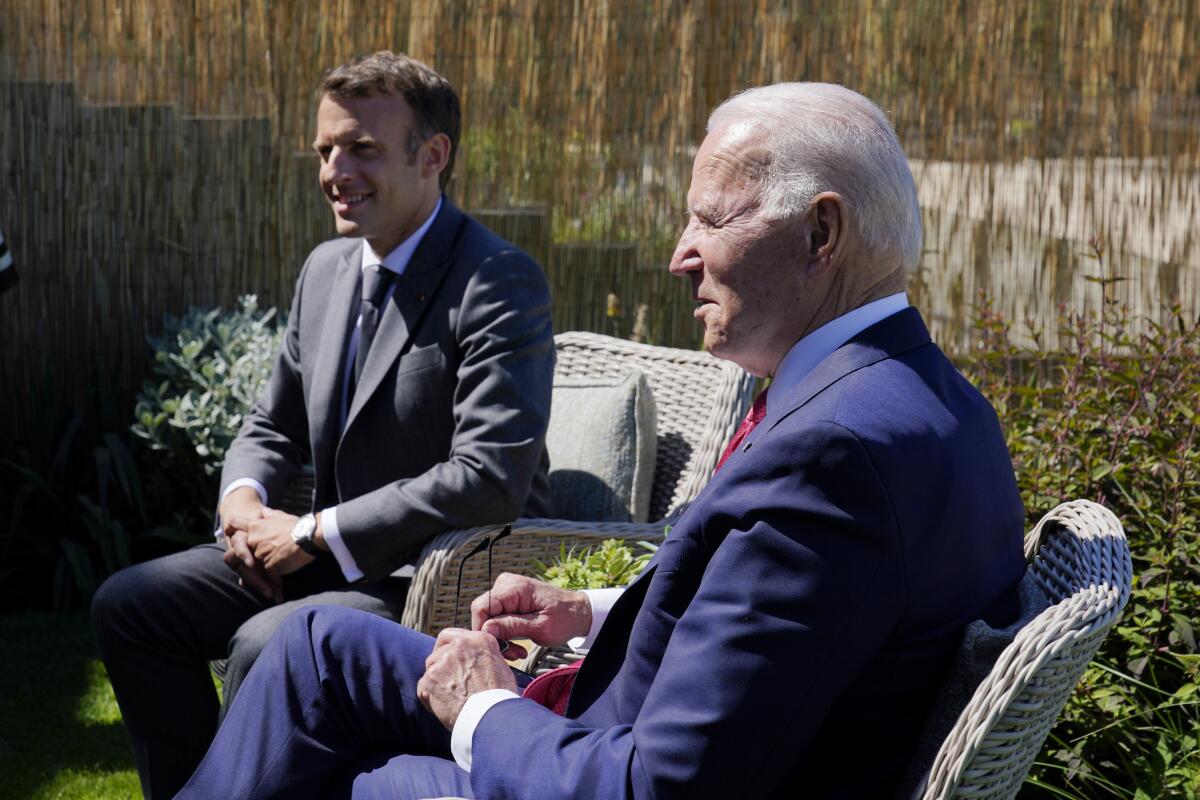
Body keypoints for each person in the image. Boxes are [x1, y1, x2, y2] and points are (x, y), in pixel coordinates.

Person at [173, 82, 1026, 800]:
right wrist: (596, 610)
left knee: (366, 779)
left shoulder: (834, 457)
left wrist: (479, 711)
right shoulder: (929, 403)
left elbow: (656, 785)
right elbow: (800, 629)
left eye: (710, 220)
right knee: (317, 647)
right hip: (615, 720)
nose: (679, 256)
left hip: (601, 764)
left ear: (821, 235)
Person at [91, 51, 555, 800]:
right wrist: (241, 501)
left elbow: (489, 476)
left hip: (421, 576)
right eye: (325, 150)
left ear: (433, 155)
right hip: (316, 559)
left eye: (362, 149)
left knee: (262, 644)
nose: (335, 170)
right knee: (132, 605)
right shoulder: (326, 270)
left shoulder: (496, 280)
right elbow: (269, 424)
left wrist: (308, 534)